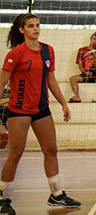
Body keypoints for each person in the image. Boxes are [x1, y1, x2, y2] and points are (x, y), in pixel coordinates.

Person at [0, 13, 80, 213]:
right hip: (19, 111)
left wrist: (63, 103)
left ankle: (56, 195)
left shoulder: (47, 51)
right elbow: (1, 82)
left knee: (51, 150)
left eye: (37, 25)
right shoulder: (15, 54)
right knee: (15, 154)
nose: (36, 29)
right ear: (22, 30)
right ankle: (4, 198)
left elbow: (51, 80)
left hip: (41, 109)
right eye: (30, 26)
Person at [69, 31, 96, 102]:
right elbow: (80, 65)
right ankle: (77, 96)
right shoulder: (82, 50)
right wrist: (85, 73)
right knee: (72, 79)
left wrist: (91, 52)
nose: (95, 41)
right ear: (91, 38)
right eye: (94, 39)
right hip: (87, 73)